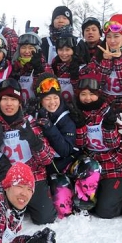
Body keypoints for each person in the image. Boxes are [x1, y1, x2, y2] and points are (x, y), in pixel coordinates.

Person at [0, 78, 57, 224]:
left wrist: (35, 142)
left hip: (32, 176)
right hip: (4, 177)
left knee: (45, 218)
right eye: (5, 99)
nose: (9, 104)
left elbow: (48, 158)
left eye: (13, 99)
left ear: (19, 102)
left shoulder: (30, 122)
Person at [73, 74, 122, 218]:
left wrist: (107, 127)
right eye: (83, 94)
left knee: (105, 212)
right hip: (92, 166)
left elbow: (115, 145)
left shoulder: (111, 112)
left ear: (99, 94)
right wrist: (80, 126)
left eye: (92, 94)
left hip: (115, 166)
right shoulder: (78, 112)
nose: (87, 98)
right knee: (84, 207)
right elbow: (81, 144)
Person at [31, 74, 79, 219]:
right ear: (40, 100)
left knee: (64, 211)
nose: (52, 102)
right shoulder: (35, 114)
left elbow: (65, 150)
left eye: (55, 97)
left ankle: (83, 204)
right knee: (61, 211)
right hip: (45, 169)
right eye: (47, 98)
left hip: (65, 164)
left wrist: (49, 127)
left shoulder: (67, 116)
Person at [84, 14, 122, 114]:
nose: (112, 41)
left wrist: (119, 59)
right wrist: (106, 61)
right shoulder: (99, 54)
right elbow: (95, 85)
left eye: (116, 36)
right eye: (108, 37)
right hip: (103, 107)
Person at [11, 32, 51, 103]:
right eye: (23, 48)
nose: (27, 51)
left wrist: (38, 71)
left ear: (37, 49)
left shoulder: (45, 67)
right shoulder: (14, 66)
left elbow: (48, 92)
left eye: (31, 48)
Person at [50, 30, 82, 103]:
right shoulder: (53, 66)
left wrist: (75, 78)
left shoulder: (81, 67)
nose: (64, 53)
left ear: (73, 50)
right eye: (60, 50)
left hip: (75, 106)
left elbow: (83, 92)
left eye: (68, 50)